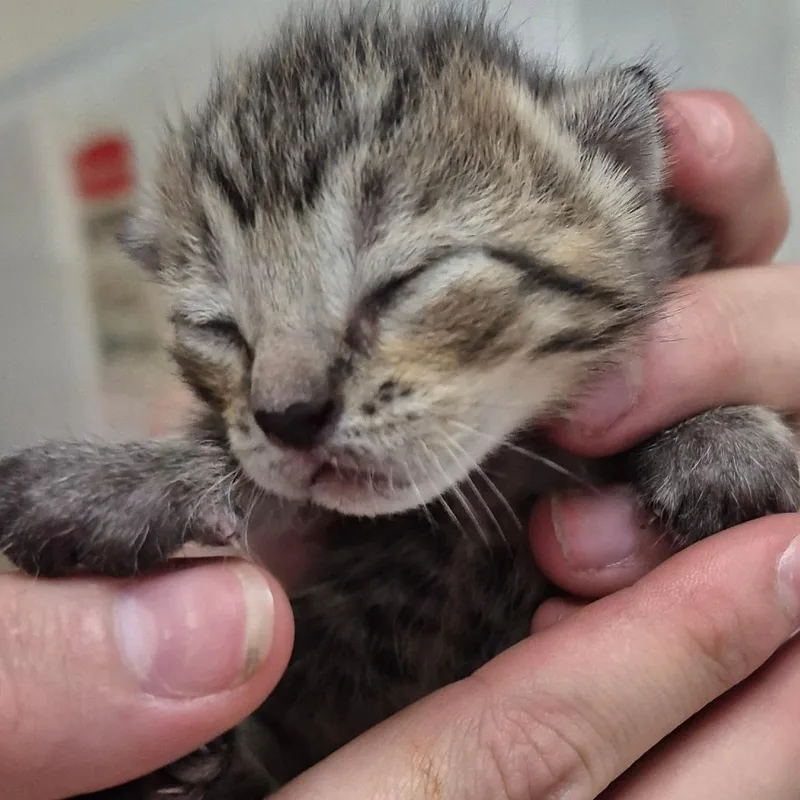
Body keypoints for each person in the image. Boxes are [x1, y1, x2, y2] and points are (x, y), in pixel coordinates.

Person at [3, 89, 797, 799]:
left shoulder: (655, 374)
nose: (280, 400)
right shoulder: (274, 486)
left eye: (400, 281)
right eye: (220, 327)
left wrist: (722, 427)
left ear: (613, 174)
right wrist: (191, 481)